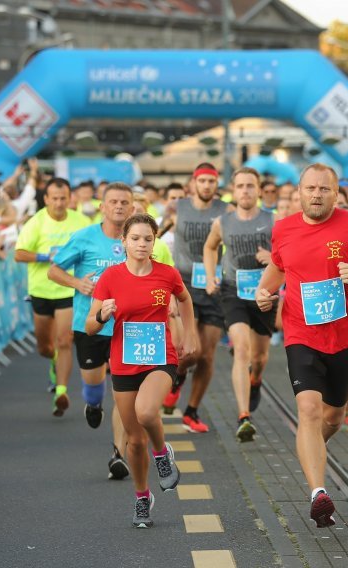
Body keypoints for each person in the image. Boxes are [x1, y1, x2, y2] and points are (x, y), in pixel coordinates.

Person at [255, 163, 348, 528]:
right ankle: (318, 492)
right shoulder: (283, 228)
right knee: (309, 411)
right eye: (310, 188)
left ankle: (310, 448)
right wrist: (263, 292)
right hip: (301, 333)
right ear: (299, 191)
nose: (317, 195)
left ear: (336, 193)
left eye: (324, 190)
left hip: (343, 334)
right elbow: (280, 267)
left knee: (331, 416)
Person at [86, 213, 196, 528]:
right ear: (123, 242)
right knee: (134, 442)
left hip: (161, 357)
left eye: (148, 238)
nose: (142, 244)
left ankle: (162, 455)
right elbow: (89, 327)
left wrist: (188, 334)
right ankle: (142, 497)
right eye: (135, 238)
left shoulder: (167, 274)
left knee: (147, 412)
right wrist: (103, 316)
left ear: (154, 241)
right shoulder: (110, 278)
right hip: (123, 361)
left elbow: (185, 300)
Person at [48, 183, 134, 479]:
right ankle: (93, 403)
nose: (119, 207)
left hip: (128, 326)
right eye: (113, 202)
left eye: (125, 202)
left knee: (124, 393)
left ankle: (118, 454)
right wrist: (78, 284)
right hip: (91, 323)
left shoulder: (137, 239)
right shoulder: (84, 237)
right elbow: (54, 270)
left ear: (132, 208)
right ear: (103, 206)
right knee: (93, 381)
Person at [203, 167, 275, 442]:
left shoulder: (273, 221)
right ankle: (244, 415)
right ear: (233, 190)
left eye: (250, 185)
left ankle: (256, 379)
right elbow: (210, 247)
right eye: (240, 186)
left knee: (259, 357)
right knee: (241, 349)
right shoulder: (222, 222)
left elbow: (287, 254)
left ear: (258, 190)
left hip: (264, 292)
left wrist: (273, 256)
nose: (245, 190)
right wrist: (211, 276)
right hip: (233, 290)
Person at [164, 163, 231, 433]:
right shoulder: (176, 208)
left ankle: (191, 411)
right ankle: (178, 378)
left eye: (211, 181)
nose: (206, 186)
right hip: (183, 285)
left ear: (216, 185)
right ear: (193, 183)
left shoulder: (226, 211)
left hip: (213, 286)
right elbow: (155, 237)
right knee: (188, 352)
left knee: (207, 355)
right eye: (201, 181)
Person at [15, 178, 90, 415]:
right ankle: (53, 362)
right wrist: (45, 257)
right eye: (54, 198)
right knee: (45, 347)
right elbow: (18, 254)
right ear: (46, 199)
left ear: (70, 199)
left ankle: (61, 391)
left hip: (69, 289)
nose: (59, 203)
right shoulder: (36, 222)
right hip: (41, 290)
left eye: (63, 198)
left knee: (65, 340)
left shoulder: (81, 222)